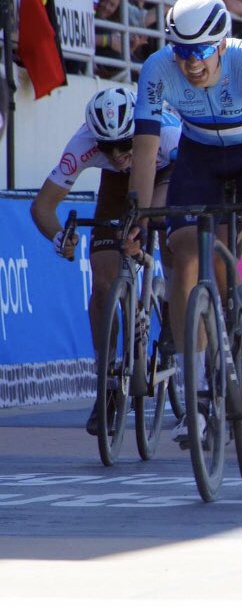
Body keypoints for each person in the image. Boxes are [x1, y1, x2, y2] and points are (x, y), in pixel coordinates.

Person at [129, 0, 242, 445]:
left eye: (200, 51)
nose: (191, 63)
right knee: (185, 258)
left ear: (221, 44)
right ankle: (196, 392)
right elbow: (144, 150)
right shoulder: (157, 68)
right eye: (182, 52)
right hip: (198, 155)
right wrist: (136, 214)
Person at [31, 88, 180, 435]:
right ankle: (107, 382)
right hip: (118, 186)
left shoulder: (169, 133)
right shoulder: (84, 143)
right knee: (102, 282)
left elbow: (196, 175)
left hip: (168, 172)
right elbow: (43, 206)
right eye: (106, 147)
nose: (116, 154)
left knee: (166, 220)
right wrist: (59, 237)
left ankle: (173, 300)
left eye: (124, 144)